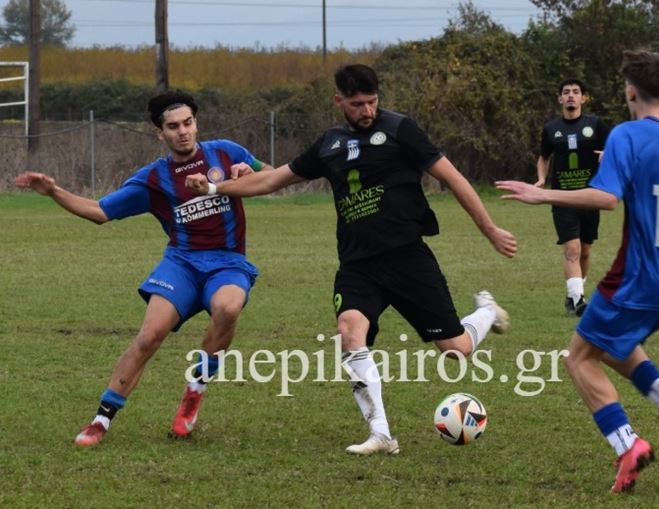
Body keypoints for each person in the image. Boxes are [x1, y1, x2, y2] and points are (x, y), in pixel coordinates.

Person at [186, 64, 517, 455]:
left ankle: (487, 312)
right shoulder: (329, 144)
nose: (367, 111)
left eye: (372, 102)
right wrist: (215, 189)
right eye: (357, 104)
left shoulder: (400, 129)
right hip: (358, 264)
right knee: (349, 331)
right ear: (339, 101)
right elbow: (273, 179)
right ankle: (382, 434)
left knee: (456, 348)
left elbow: (455, 178)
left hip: (407, 258)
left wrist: (489, 229)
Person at [497, 50, 659, 493]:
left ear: (630, 92)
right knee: (613, 343)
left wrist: (543, 194)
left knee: (579, 358)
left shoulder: (627, 136)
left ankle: (628, 445)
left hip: (637, 274)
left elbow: (606, 198)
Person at [14, 90, 273, 446]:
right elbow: (99, 212)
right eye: (173, 126)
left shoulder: (227, 152)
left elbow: (272, 175)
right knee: (149, 336)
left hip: (228, 262)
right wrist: (54, 191)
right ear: (159, 133)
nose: (183, 131)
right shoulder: (153, 179)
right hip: (181, 264)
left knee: (228, 308)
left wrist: (247, 172)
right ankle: (101, 420)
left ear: (196, 123)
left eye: (188, 123)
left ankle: (195, 390)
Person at [536, 79, 611, 316]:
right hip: (562, 197)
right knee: (572, 248)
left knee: (585, 251)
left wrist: (607, 154)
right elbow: (543, 157)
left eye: (576, 92)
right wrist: (541, 178)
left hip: (590, 196)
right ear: (560, 99)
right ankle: (577, 300)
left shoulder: (596, 125)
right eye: (566, 92)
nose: (571, 95)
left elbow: (615, 149)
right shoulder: (551, 128)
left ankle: (575, 294)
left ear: (583, 98)